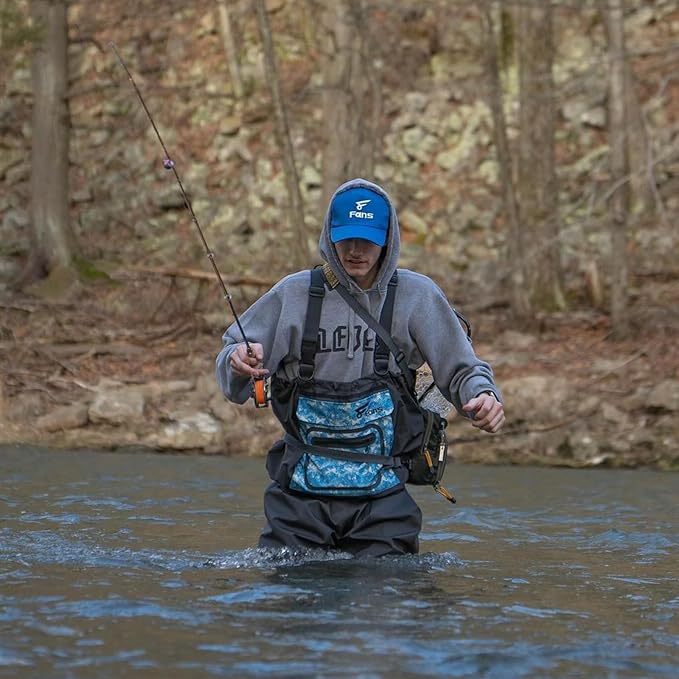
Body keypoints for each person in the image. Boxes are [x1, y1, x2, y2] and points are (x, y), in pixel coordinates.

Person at [216, 178, 504, 557]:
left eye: (367, 239)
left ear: (388, 239)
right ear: (329, 235)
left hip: (384, 500)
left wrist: (483, 397)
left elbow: (464, 369)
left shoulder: (418, 297)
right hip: (298, 500)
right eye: (346, 237)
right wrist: (238, 362)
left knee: (389, 589)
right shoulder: (293, 294)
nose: (355, 250)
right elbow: (232, 367)